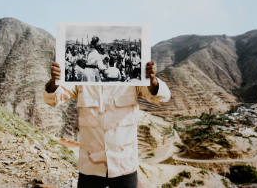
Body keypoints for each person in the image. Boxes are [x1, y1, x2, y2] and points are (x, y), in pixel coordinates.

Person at [44, 59, 171, 188]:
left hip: (124, 167)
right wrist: (55, 82)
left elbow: (163, 97)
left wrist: (152, 81)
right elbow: (52, 99)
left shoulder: (132, 78)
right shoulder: (83, 79)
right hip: (90, 167)